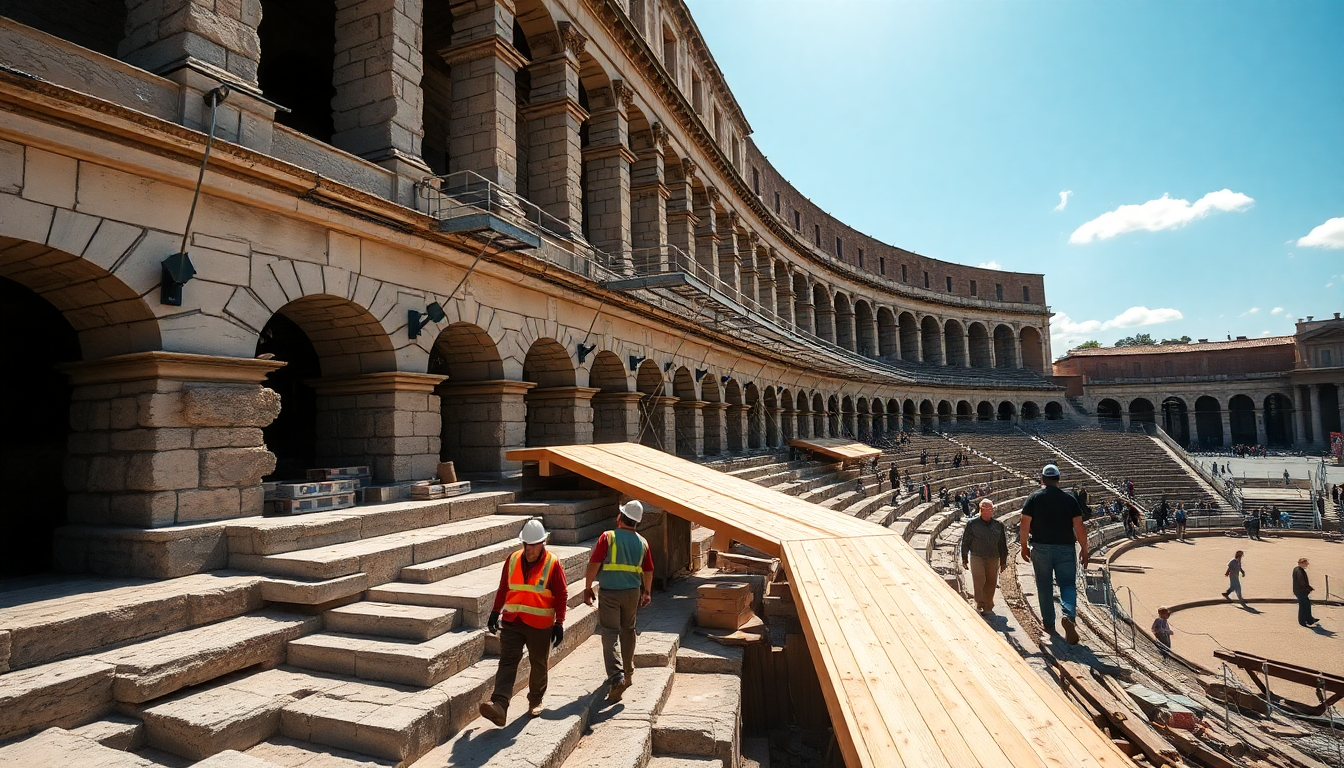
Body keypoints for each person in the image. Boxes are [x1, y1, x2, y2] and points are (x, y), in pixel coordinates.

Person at [479, 517, 568, 726]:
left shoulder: (552, 564)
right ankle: (499, 706)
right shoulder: (512, 559)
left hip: (540, 625)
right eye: (526, 545)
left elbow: (561, 594)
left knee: (538, 663)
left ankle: (535, 699)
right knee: (508, 661)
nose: (529, 550)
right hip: (512, 621)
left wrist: (559, 623)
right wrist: (494, 612)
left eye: (533, 546)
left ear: (542, 543)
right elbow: (504, 588)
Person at [584, 500, 655, 702]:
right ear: (636, 522)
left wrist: (588, 587)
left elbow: (594, 564)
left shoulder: (608, 537)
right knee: (628, 630)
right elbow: (648, 570)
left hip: (610, 593)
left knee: (609, 633)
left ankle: (616, 678)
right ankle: (628, 672)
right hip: (632, 592)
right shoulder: (643, 542)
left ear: (620, 517)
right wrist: (647, 591)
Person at [1020, 464, 1089, 644]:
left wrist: (1023, 546)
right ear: (1058, 479)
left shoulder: (1034, 498)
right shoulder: (1069, 499)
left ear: (1042, 479)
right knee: (1067, 585)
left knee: (1044, 586)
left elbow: (1025, 523)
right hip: (1065, 548)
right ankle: (1069, 616)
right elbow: (1079, 527)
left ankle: (1049, 624)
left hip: (1041, 547)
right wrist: (1085, 549)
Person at [961, 498, 1009, 614]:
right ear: (981, 510)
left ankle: (988, 604)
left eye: (991, 509)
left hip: (993, 556)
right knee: (979, 580)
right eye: (987, 509)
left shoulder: (998, 525)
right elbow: (966, 541)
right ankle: (980, 603)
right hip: (977, 555)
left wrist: (1003, 561)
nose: (990, 511)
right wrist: (964, 558)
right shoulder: (972, 524)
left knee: (991, 581)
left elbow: (1002, 543)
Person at [1292, 558, 1317, 627]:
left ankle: (1309, 619)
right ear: (1301, 563)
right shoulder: (1299, 571)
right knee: (1303, 606)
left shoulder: (1296, 569)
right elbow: (1302, 582)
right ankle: (1303, 621)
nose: (1307, 564)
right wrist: (1308, 588)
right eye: (1306, 563)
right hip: (1301, 592)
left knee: (1307, 604)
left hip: (1299, 591)